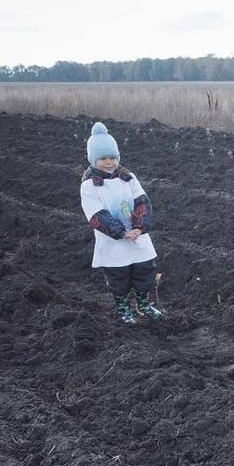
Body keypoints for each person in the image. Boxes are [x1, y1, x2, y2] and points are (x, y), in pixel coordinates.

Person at [78, 122, 164, 324]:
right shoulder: (90, 186)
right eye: (103, 158)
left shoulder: (128, 178)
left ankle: (144, 305)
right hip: (113, 240)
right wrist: (122, 232)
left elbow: (142, 201)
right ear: (93, 159)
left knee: (145, 270)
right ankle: (123, 308)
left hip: (138, 238)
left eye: (113, 157)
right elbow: (96, 215)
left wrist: (138, 228)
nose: (109, 162)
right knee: (119, 277)